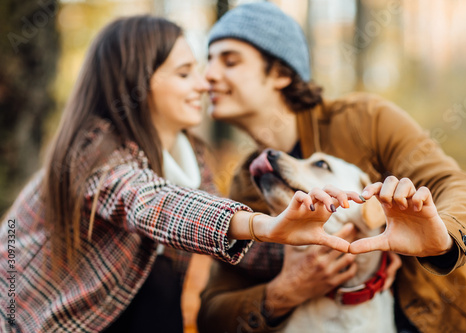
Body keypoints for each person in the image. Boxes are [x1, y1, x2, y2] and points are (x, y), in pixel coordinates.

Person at [0, 15, 362, 333]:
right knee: (160, 277)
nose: (204, 84)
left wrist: (331, 245)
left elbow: (239, 247)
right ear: (135, 83)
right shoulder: (92, 151)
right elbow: (152, 203)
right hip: (28, 319)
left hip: (113, 315)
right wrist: (261, 224)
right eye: (185, 73)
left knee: (163, 282)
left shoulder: (191, 159)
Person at [198, 2, 466, 332]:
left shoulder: (364, 119)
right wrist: (283, 292)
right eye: (209, 60)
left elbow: (460, 185)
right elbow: (213, 312)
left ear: (282, 73)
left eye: (230, 61)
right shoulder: (245, 182)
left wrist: (441, 239)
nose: (208, 75)